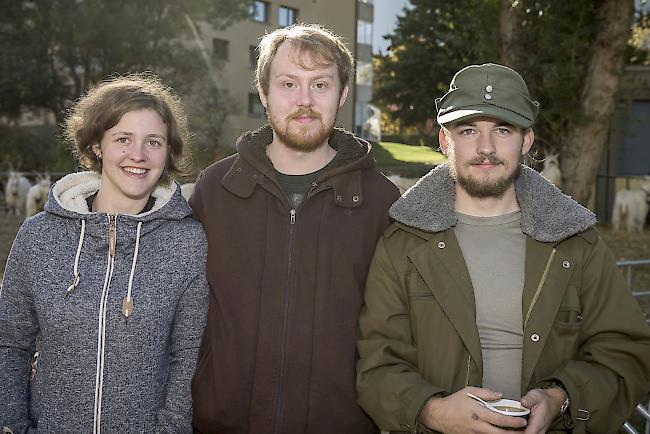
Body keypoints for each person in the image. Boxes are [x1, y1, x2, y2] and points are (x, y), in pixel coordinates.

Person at [356, 63, 650, 433]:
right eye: (468, 130)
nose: (486, 148)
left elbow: (626, 352)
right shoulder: (403, 245)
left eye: (502, 130)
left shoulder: (576, 243)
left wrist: (561, 398)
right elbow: (377, 364)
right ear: (446, 141)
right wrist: (431, 411)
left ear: (526, 141)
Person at [190, 24, 400, 433]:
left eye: (320, 84)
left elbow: (397, 330)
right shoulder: (214, 190)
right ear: (264, 94)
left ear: (341, 95)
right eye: (288, 83)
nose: (304, 101)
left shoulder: (382, 201)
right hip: (224, 423)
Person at [0, 73, 209, 433]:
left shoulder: (187, 243)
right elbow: (10, 344)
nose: (138, 155)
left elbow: (189, 354)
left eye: (153, 142)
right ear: (97, 145)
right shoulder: (38, 236)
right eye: (123, 139)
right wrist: (13, 426)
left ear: (167, 151)